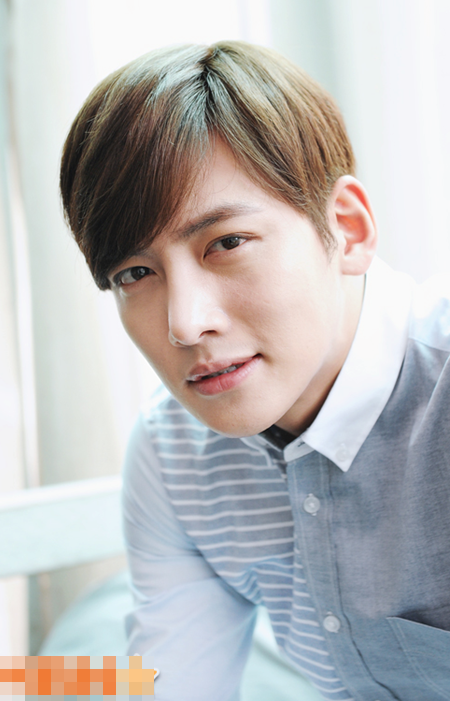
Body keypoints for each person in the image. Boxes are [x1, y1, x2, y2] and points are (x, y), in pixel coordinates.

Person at [60, 41, 450, 701]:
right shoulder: (173, 451)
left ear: (347, 229)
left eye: (227, 243)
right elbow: (172, 684)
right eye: (135, 273)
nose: (185, 324)